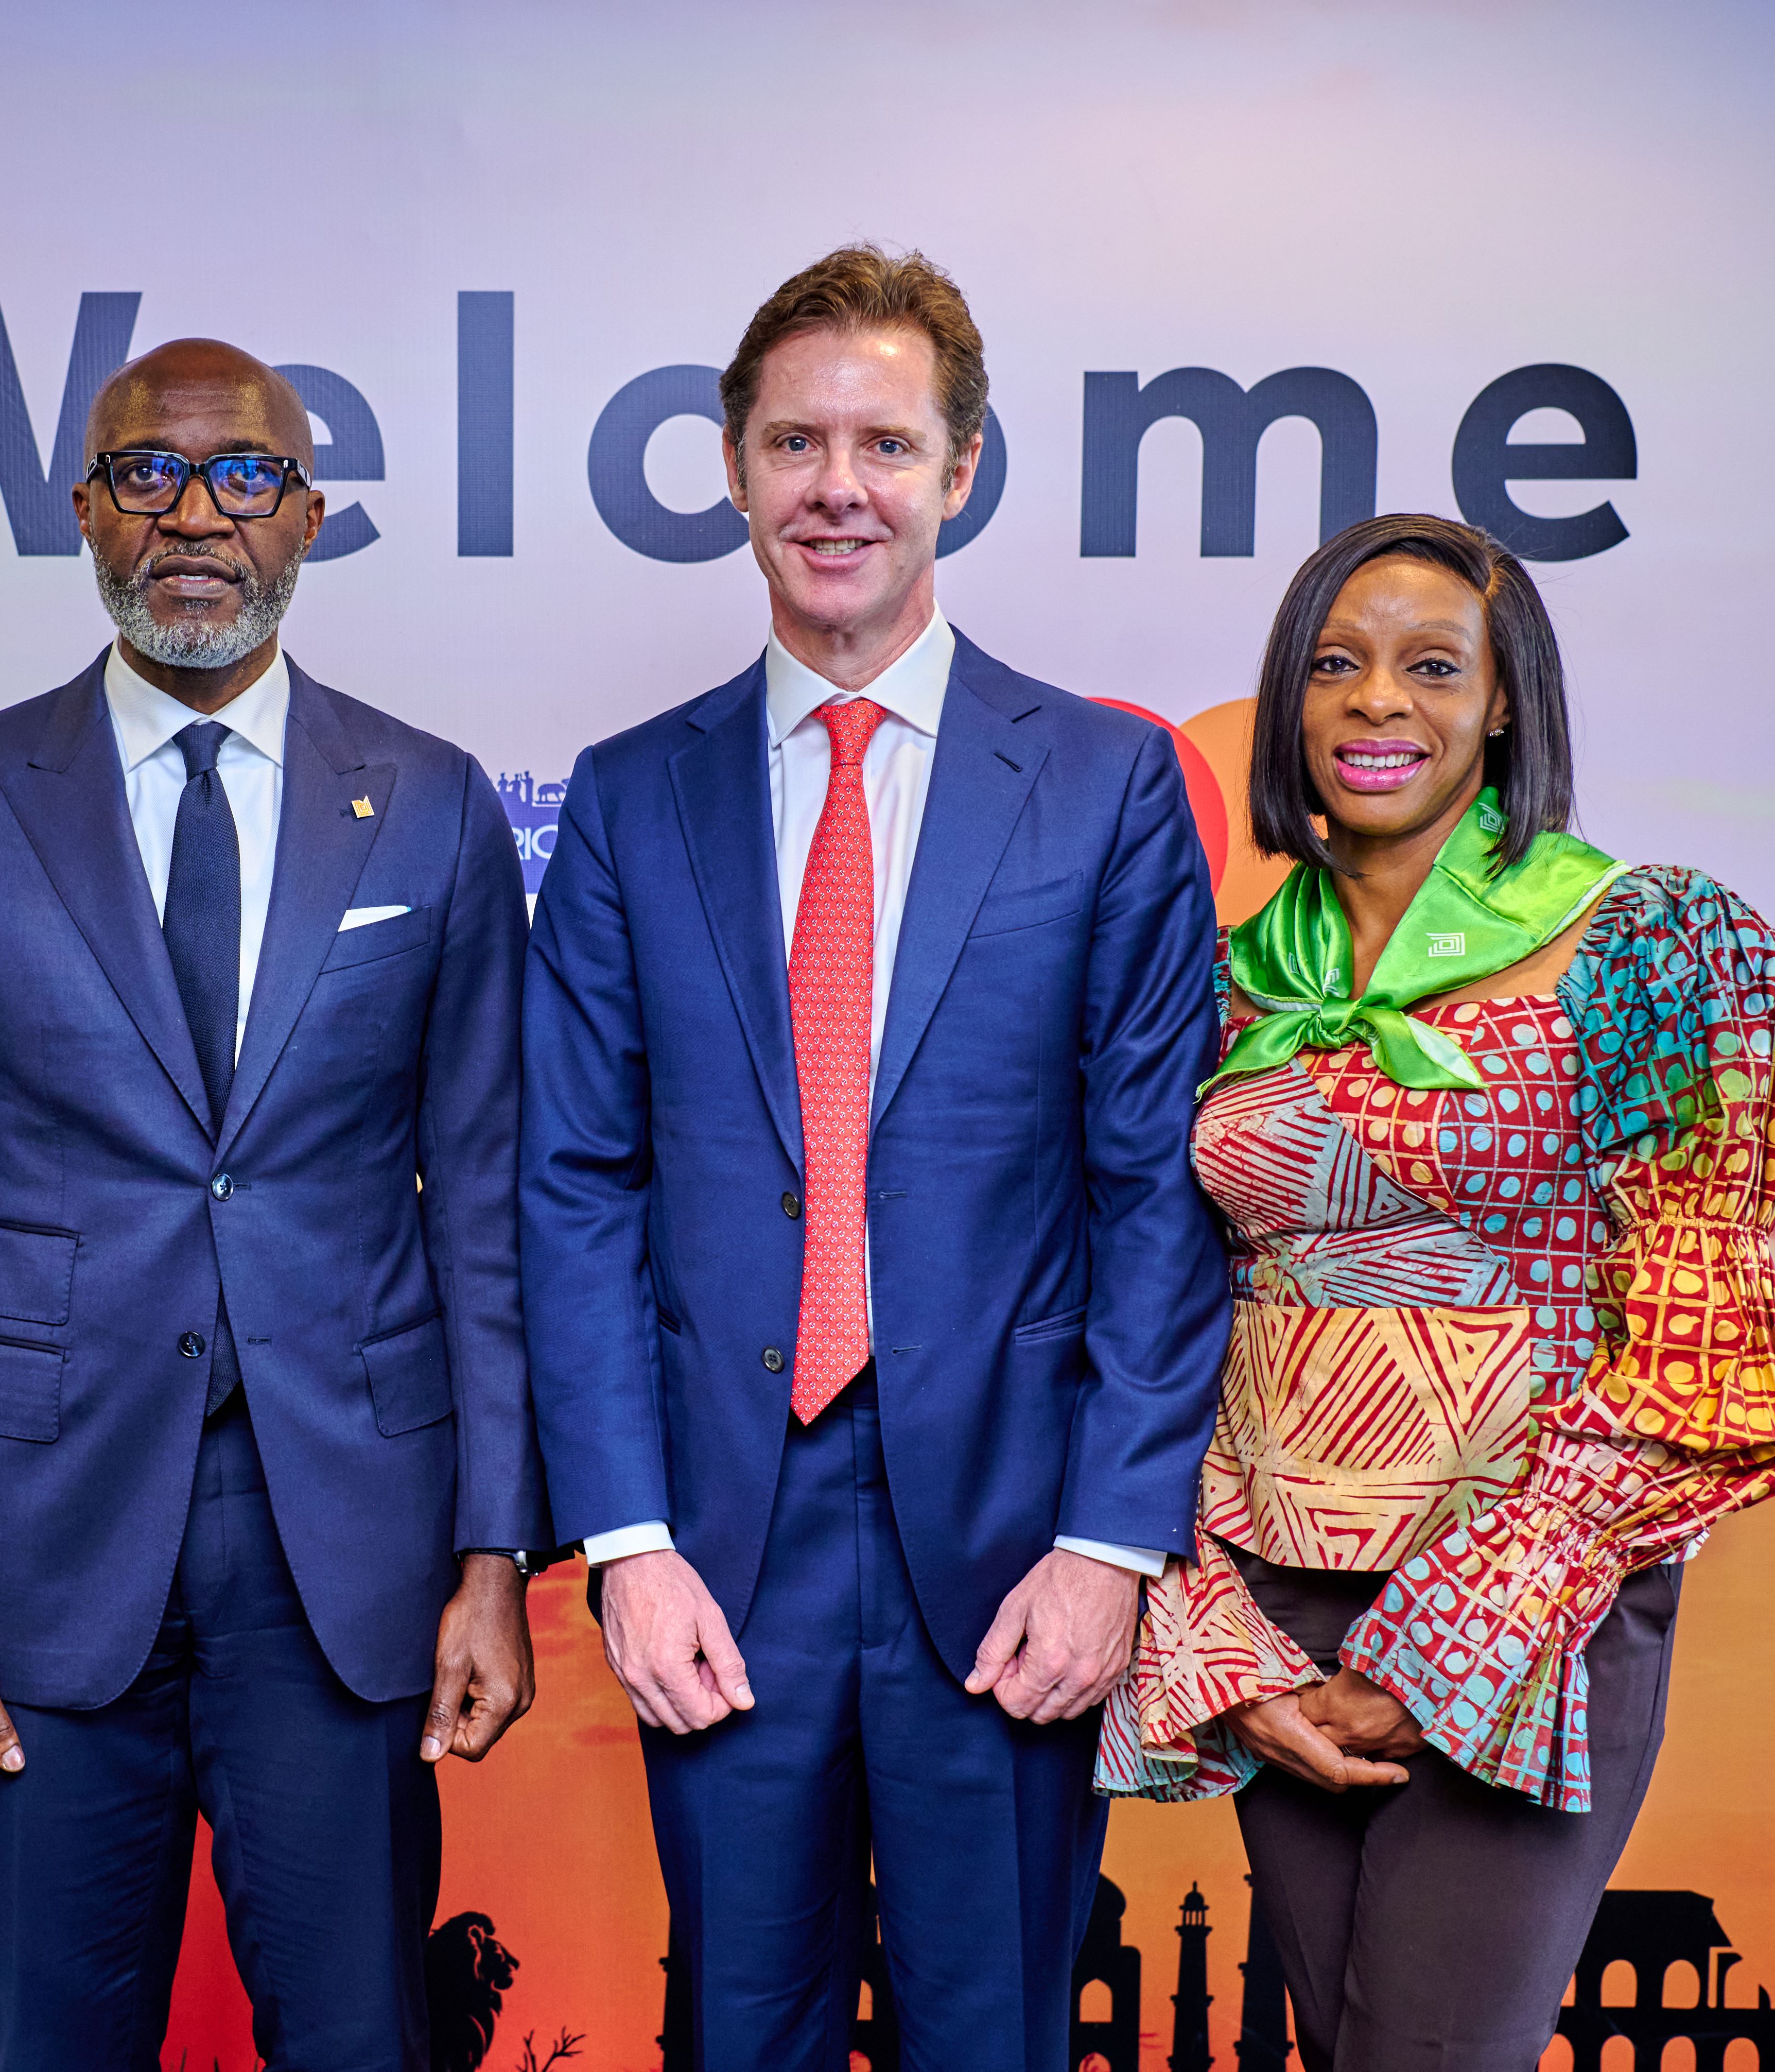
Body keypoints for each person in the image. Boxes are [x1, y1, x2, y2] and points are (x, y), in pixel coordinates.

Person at [519, 245, 1229, 2068]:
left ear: (961, 471)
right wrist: (623, 1540)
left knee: (990, 2035)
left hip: (1008, 1552)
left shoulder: (1104, 784)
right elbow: (578, 1184)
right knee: (736, 2034)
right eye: (795, 442)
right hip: (719, 1549)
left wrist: (1110, 1541)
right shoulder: (626, 795)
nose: (840, 486)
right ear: (736, 470)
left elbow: (1155, 1188)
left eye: (886, 445)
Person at [0, 338, 547, 2072]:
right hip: (42, 1551)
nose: (195, 515)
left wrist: (497, 1559)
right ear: (86, 511)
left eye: (242, 477)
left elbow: (491, 1207)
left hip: (349, 1544)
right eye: (150, 474)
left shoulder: (433, 804)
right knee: (62, 2042)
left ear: (305, 519)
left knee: (359, 2037)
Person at [1097, 513, 1775, 2070]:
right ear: (1289, 702)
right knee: (1340, 2045)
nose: (1380, 703)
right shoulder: (1231, 978)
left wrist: (1437, 1658)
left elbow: (1692, 1363)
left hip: (1526, 1607)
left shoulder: (1644, 950)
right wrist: (1215, 1635)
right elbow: (1162, 1317)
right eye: (1338, 667)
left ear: (1504, 705)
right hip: (1282, 1608)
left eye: (1434, 667)